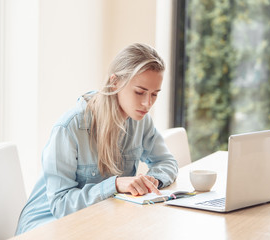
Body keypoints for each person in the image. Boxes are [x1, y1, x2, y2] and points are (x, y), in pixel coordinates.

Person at [15, 43, 178, 234]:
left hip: (97, 222)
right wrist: (115, 184)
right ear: (115, 82)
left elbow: (167, 162)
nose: (147, 103)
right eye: (140, 92)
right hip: (47, 226)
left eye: (154, 95)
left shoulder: (140, 121)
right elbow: (60, 205)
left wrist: (152, 180)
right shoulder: (69, 128)